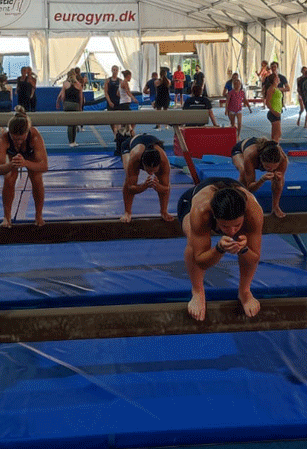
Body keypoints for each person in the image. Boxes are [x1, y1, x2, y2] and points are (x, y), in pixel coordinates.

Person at [178, 178, 265, 320]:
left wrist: (244, 250)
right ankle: (198, 292)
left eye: (236, 226)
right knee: (192, 243)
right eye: (225, 226)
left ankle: (244, 291)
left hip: (232, 196)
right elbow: (201, 261)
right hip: (190, 201)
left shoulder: (253, 211)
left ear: (244, 215)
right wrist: (219, 249)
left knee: (247, 242)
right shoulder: (202, 210)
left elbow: (254, 257)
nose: (231, 232)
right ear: (214, 216)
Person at [0, 107, 48, 227]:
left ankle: (38, 216)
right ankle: (7, 217)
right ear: (10, 134)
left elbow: (44, 166)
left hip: (29, 155)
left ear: (27, 132)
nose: (18, 142)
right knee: (9, 178)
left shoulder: (34, 137)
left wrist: (26, 163)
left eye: (21, 138)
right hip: (12, 156)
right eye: (15, 139)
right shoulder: (3, 139)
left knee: (36, 177)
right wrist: (10, 165)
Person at [117, 133, 174, 222]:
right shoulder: (135, 158)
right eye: (148, 170)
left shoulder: (164, 161)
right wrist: (144, 186)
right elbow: (130, 187)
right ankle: (127, 212)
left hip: (149, 143)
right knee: (128, 176)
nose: (151, 173)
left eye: (154, 171)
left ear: (159, 165)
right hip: (129, 145)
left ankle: (164, 212)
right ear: (142, 164)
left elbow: (166, 188)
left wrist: (158, 186)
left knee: (163, 181)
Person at [230, 137, 288, 218]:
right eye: (267, 167)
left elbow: (278, 185)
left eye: (274, 167)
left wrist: (275, 205)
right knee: (243, 172)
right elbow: (250, 187)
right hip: (239, 150)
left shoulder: (283, 159)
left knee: (278, 178)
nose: (270, 170)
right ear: (261, 161)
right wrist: (262, 180)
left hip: (266, 151)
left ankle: (275, 207)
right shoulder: (251, 156)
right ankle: (235, 202)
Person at [56, 69, 83, 146]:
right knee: (74, 123)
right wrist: (80, 107)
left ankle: (71, 142)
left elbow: (63, 96)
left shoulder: (65, 84)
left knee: (70, 124)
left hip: (68, 104)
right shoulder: (79, 84)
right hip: (75, 104)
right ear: (75, 76)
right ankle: (73, 141)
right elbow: (81, 98)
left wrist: (63, 104)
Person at [263, 73, 283, 143]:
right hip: (273, 113)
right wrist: (274, 112)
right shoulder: (271, 89)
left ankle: (274, 146)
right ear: (275, 80)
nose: (279, 78)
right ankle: (275, 147)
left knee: (275, 134)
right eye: (277, 77)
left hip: (277, 112)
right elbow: (267, 102)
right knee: (278, 134)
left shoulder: (276, 88)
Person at [118, 70, 138, 137]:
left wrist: (122, 97)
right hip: (125, 103)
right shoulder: (125, 83)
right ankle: (129, 132)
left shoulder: (121, 83)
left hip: (123, 102)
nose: (130, 78)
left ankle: (125, 132)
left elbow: (117, 93)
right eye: (130, 77)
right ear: (128, 76)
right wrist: (134, 98)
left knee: (125, 121)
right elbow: (128, 92)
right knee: (133, 119)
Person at [104, 65, 122, 136]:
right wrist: (109, 101)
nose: (114, 71)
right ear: (111, 71)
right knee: (111, 119)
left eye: (116, 70)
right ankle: (114, 132)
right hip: (110, 101)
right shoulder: (108, 81)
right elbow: (106, 92)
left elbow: (122, 92)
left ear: (118, 71)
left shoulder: (120, 81)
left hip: (118, 101)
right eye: (113, 70)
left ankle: (118, 133)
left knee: (118, 118)